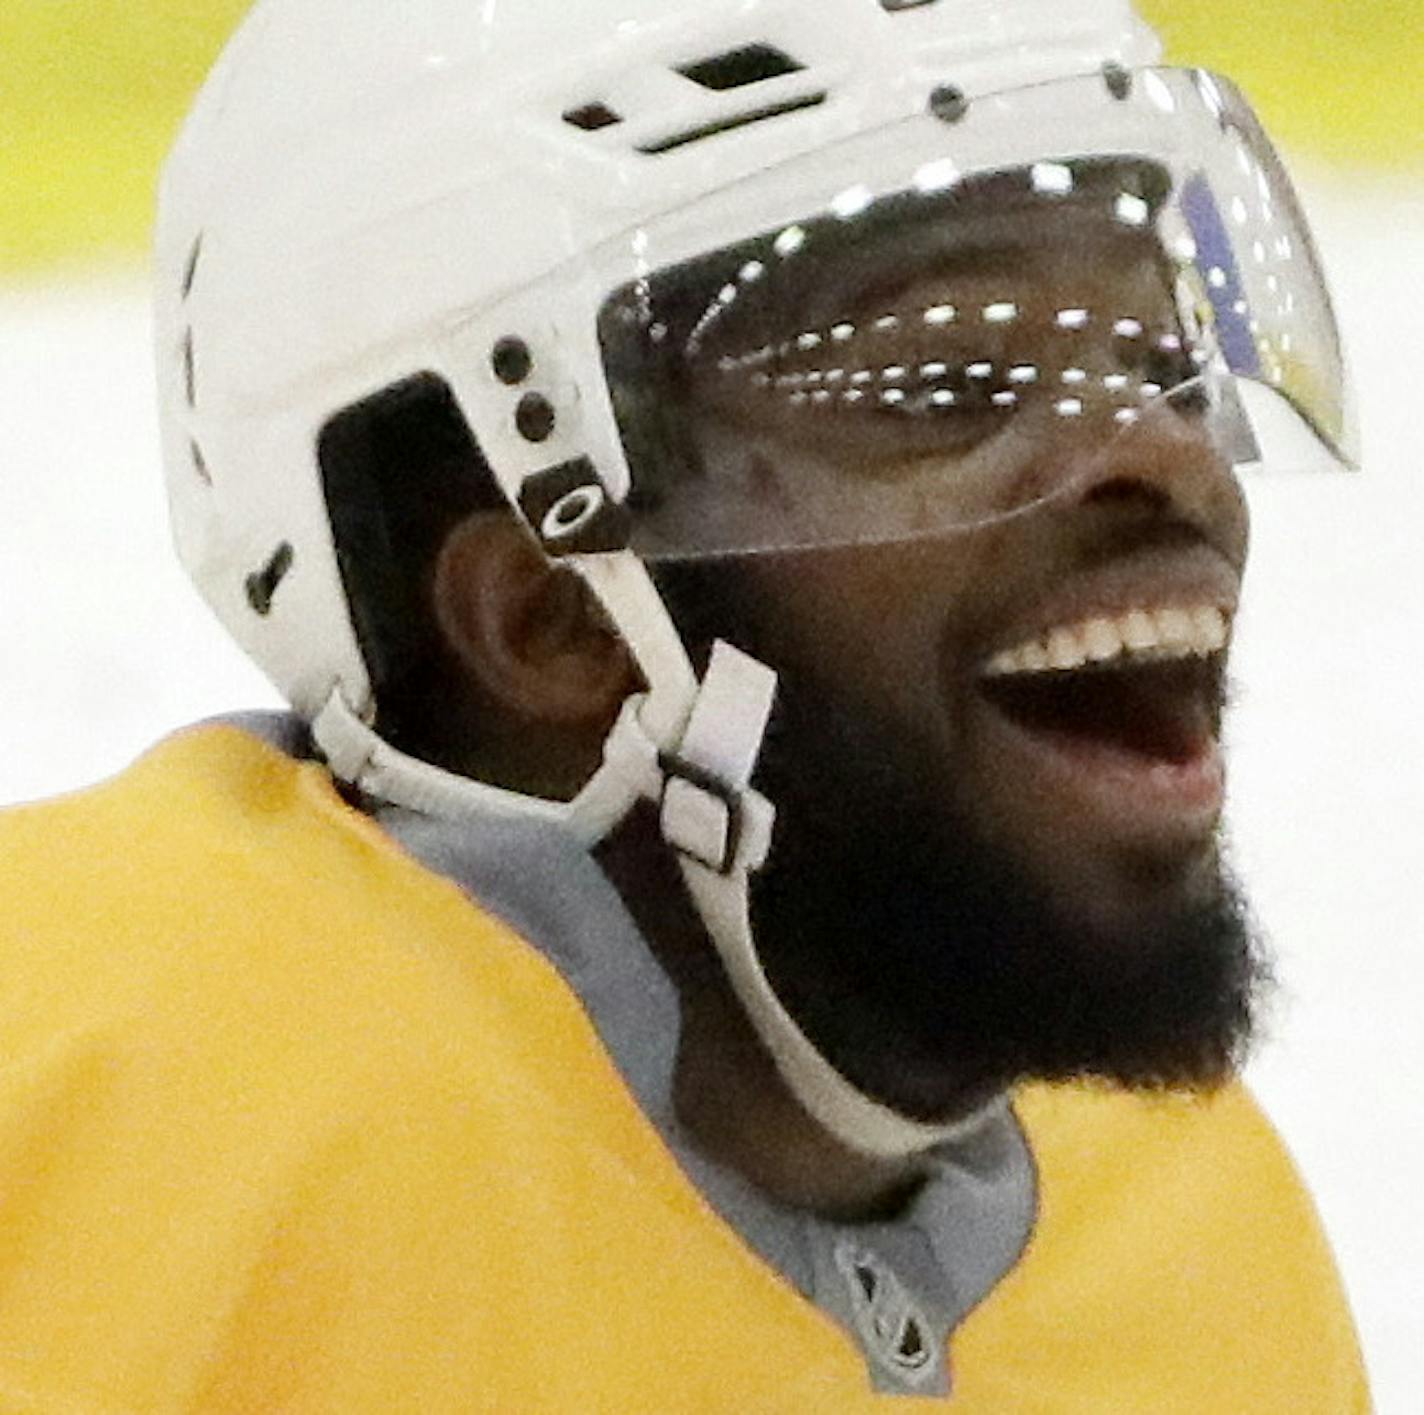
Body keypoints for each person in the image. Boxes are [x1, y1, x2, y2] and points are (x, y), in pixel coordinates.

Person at [0, 0, 1369, 1408]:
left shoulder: (1199, 1241)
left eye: (1161, 365)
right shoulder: (90, 1112)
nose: (1167, 460)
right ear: (554, 616)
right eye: (944, 376)